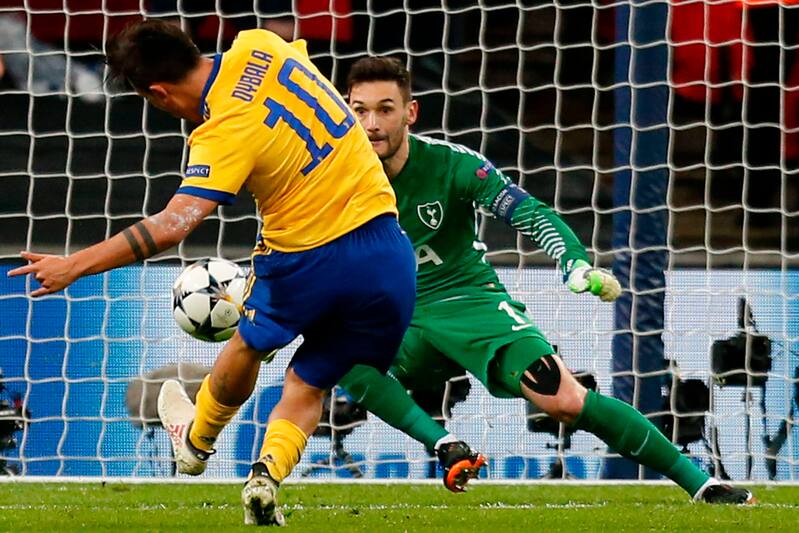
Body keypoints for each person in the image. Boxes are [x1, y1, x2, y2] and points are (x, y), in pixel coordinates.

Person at [7, 22, 417, 526]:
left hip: (310, 258)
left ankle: (196, 444)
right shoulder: (259, 43)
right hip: (390, 254)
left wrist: (73, 265)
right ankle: (266, 474)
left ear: (157, 93)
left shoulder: (221, 131)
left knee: (247, 345)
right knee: (311, 382)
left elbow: (169, 228)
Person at [335, 56, 756, 505]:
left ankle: (700, 484)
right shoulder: (330, 178)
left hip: (464, 300)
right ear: (346, 111)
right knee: (328, 356)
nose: (373, 123)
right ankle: (439, 446)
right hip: (391, 310)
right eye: (360, 110)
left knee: (562, 398)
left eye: (386, 109)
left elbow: (530, 213)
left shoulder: (453, 165)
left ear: (410, 112)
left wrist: (573, 262)